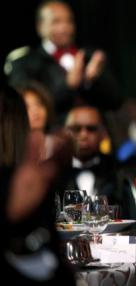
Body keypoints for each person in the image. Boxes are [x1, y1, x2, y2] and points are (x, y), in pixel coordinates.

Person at [0, 83, 75, 284]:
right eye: (27, 107)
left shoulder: (36, 173)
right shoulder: (25, 178)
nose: (33, 112)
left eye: (38, 104)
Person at [5, 0, 121, 123]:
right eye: (56, 22)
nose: (65, 27)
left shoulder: (88, 57)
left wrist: (91, 81)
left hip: (94, 132)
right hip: (52, 135)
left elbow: (116, 101)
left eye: (69, 21)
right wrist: (68, 86)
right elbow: (24, 107)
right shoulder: (24, 61)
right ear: (40, 27)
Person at [60, 105, 122, 205]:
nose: (84, 135)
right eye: (76, 129)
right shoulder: (52, 174)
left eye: (91, 129)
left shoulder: (119, 172)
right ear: (64, 133)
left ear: (103, 133)